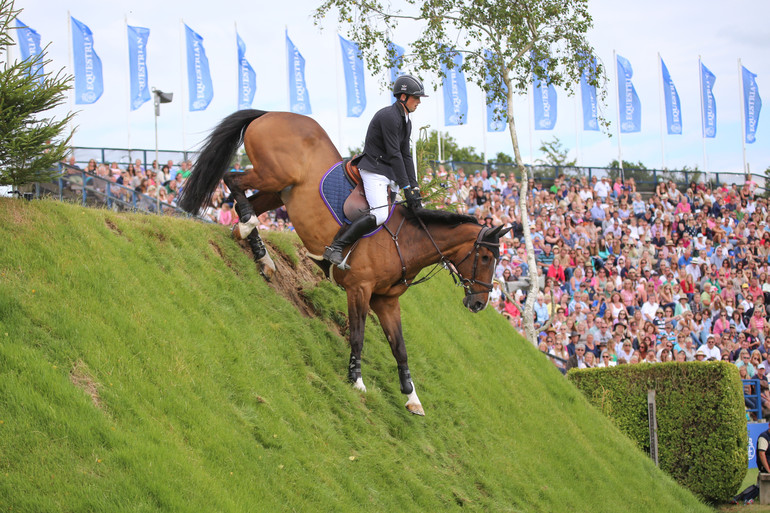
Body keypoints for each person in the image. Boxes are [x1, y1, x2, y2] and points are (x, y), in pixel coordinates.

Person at [323, 74, 428, 269]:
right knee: (380, 214)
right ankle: (335, 247)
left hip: (388, 172)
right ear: (403, 97)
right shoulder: (389, 116)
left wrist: (414, 186)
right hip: (374, 170)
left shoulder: (406, 121)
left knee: (400, 213)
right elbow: (394, 153)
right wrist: (405, 186)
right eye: (416, 97)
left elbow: (406, 155)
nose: (419, 102)